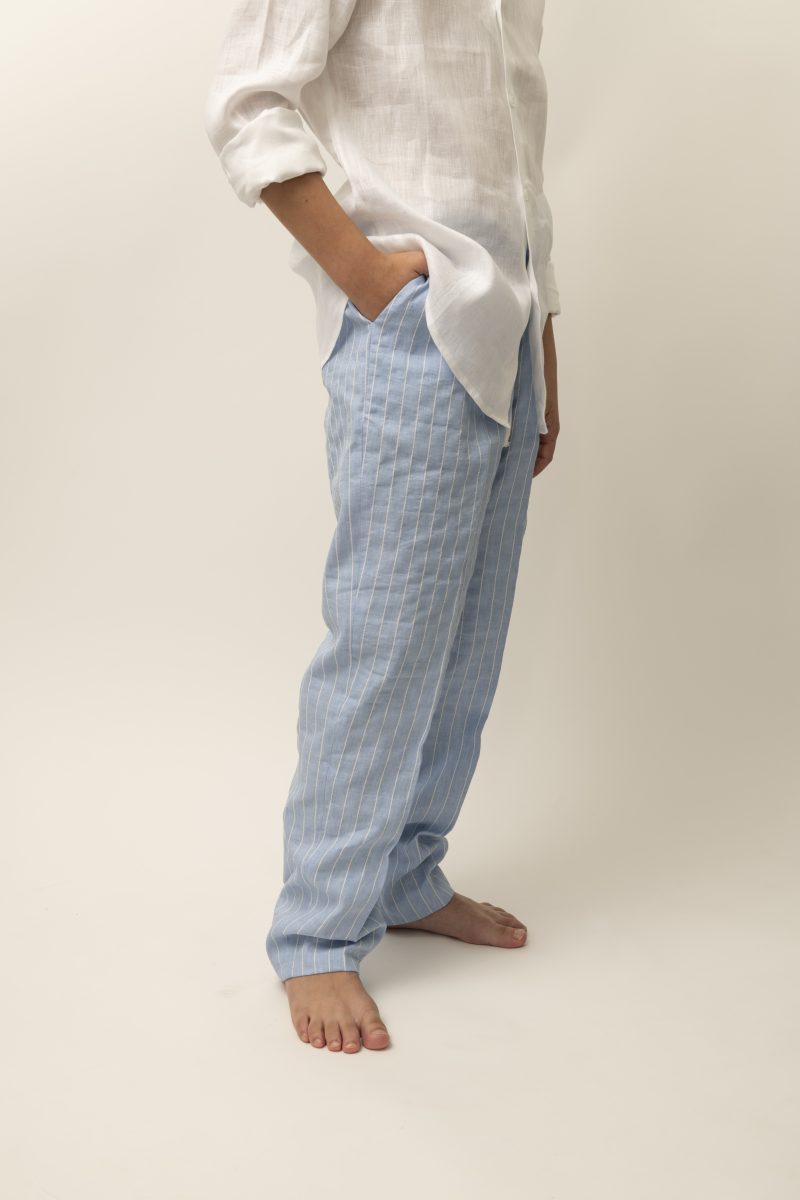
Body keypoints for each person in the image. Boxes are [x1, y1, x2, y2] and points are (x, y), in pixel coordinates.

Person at [204, 0, 562, 1054]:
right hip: (413, 323)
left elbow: (517, 154)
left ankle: (406, 871)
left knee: (466, 642)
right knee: (385, 641)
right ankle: (317, 930)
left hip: (505, 322)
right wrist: (365, 276)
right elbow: (245, 102)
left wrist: (543, 335)